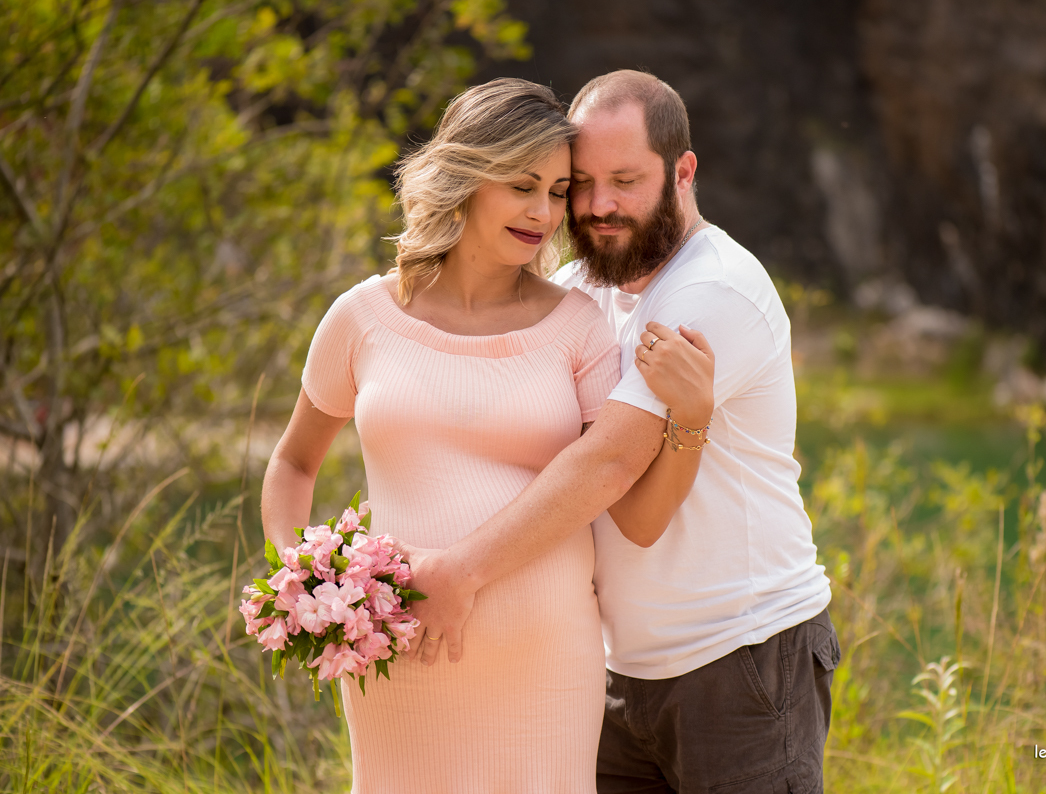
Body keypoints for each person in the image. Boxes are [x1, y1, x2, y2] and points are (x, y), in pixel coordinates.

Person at [260, 78, 715, 794]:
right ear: (467, 177)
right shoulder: (362, 317)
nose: (545, 212)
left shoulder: (578, 328)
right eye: (521, 185)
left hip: (544, 663)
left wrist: (691, 420)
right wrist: (304, 583)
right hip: (399, 655)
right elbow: (292, 463)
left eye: (559, 191)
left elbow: (639, 512)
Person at [403, 70, 839, 793]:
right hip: (614, 672)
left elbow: (609, 468)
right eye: (582, 183)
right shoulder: (580, 291)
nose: (599, 206)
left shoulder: (712, 290)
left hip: (743, 661)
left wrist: (460, 572)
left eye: (626, 181)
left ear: (684, 172)